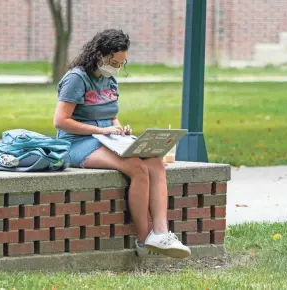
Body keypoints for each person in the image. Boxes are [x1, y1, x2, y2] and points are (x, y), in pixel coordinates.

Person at [53, 29, 191, 259]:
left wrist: (119, 128)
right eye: (113, 61)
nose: (116, 67)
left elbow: (111, 114)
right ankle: (143, 240)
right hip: (78, 142)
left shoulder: (110, 80)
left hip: (108, 138)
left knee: (156, 162)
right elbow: (61, 121)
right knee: (136, 167)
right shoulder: (76, 78)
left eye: (121, 63)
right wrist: (102, 129)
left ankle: (161, 233)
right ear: (99, 54)